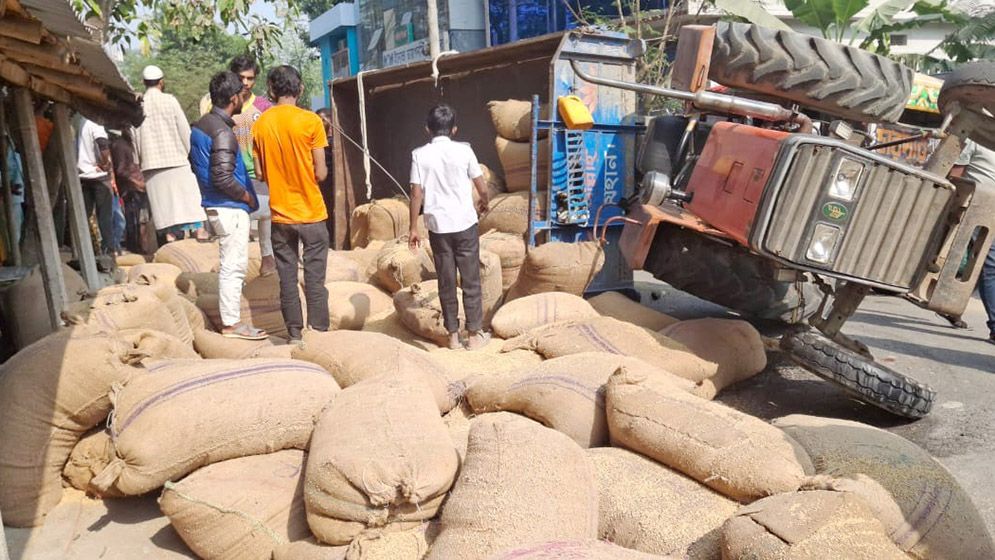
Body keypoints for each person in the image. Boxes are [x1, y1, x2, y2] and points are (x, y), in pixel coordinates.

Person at [251, 65, 329, 341]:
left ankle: (294, 334)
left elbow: (259, 173)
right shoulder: (311, 122)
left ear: (271, 90)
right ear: (301, 89)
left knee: (286, 278)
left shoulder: (260, 124)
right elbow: (321, 172)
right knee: (315, 278)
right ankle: (318, 331)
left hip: (281, 217)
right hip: (312, 213)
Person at [408, 104, 491, 350]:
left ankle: (453, 336)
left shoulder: (419, 154)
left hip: (438, 227)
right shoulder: (465, 151)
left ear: (427, 129)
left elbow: (415, 194)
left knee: (445, 280)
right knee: (471, 280)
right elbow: (482, 185)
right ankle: (475, 335)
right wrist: (484, 202)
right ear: (454, 129)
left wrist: (413, 227)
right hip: (465, 223)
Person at [192, 71, 267, 340]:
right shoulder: (222, 132)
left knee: (230, 265)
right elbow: (222, 176)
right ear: (234, 98)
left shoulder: (202, 125)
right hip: (228, 205)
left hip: (216, 203)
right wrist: (246, 197)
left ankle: (231, 322)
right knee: (233, 268)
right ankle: (232, 324)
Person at [200, 55, 276, 276]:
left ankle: (267, 258)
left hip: (259, 173)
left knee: (267, 216)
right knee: (237, 226)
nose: (246, 83)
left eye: (250, 78)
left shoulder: (263, 107)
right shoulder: (215, 106)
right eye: (241, 77)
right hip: (230, 173)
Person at [133, 64, 208, 243]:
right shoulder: (170, 100)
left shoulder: (138, 105)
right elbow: (184, 130)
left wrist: (138, 160)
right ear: (161, 82)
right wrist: (191, 153)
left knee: (164, 206)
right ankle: (199, 232)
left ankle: (171, 236)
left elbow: (134, 135)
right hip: (177, 160)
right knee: (189, 199)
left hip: (151, 164)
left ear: (144, 82)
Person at [952, 139, 995, 345]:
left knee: (982, 265)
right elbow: (956, 175)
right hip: (979, 210)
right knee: (988, 265)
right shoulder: (975, 139)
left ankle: (952, 304)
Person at [76, 118, 116, 254]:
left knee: (84, 215)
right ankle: (108, 250)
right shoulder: (94, 123)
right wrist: (107, 164)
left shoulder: (77, 121)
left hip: (82, 175)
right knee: (105, 216)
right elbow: (102, 144)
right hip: (98, 176)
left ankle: (85, 249)